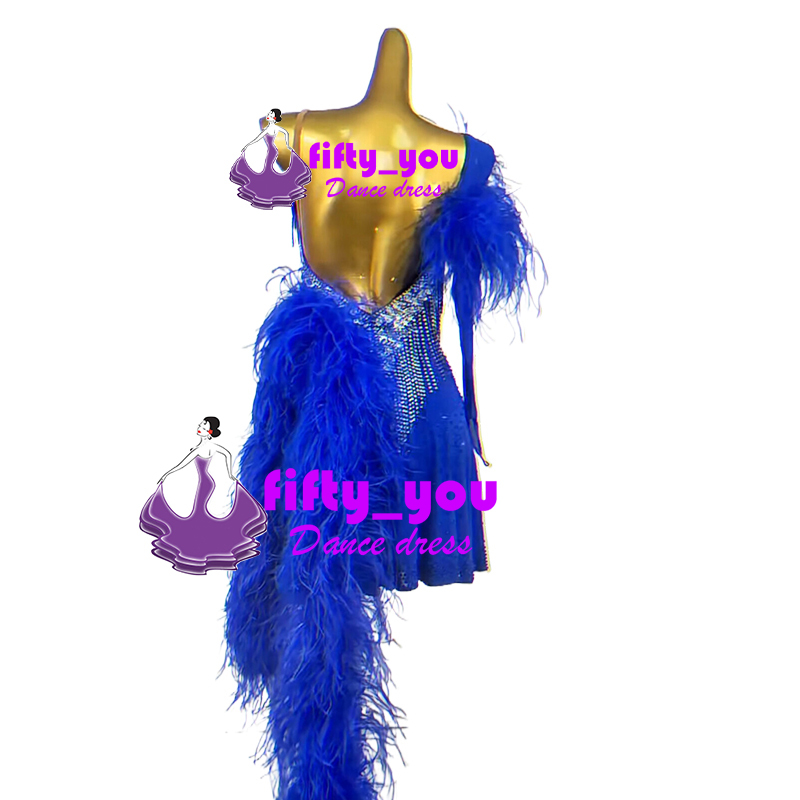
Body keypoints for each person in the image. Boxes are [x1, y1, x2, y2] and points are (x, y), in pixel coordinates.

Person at [140, 417, 267, 574]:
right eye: (201, 424)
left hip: (205, 484)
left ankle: (199, 545)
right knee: (199, 513)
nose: (200, 426)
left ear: (210, 431)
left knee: (199, 512)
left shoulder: (205, 448)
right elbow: (225, 454)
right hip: (205, 482)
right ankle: (201, 541)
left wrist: (167, 474)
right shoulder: (203, 447)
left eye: (204, 425)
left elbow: (185, 463)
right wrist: (229, 473)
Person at [230, 108, 312, 209]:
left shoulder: (276, 128)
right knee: (268, 168)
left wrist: (287, 144)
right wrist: (249, 144)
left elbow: (284, 133)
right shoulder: (270, 127)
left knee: (269, 167)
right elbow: (260, 137)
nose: (269, 115)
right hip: (273, 150)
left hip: (274, 150)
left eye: (272, 114)